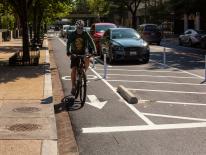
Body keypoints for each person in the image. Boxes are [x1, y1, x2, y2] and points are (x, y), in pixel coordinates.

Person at [66, 20, 96, 95]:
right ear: (76, 27)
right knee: (74, 69)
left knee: (87, 59)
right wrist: (68, 51)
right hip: (74, 53)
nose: (80, 29)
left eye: (81, 28)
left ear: (83, 27)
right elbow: (68, 43)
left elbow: (91, 41)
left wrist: (94, 50)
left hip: (83, 52)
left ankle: (83, 73)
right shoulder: (73, 34)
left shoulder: (85, 33)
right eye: (79, 28)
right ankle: (73, 86)